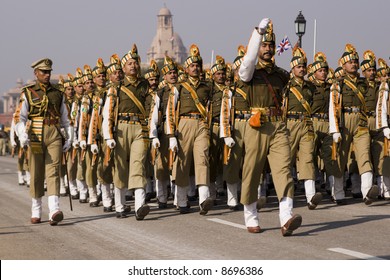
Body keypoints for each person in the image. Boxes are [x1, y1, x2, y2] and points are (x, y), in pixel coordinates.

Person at [238, 18, 302, 235]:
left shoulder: (281, 75)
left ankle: (286, 217)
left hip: (278, 126)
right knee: (252, 170)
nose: (267, 49)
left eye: (270, 45)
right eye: (264, 45)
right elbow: (247, 60)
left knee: (284, 168)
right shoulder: (250, 72)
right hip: (257, 125)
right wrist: (258, 32)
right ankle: (251, 215)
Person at [14, 58, 73, 225]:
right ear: (36, 73)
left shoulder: (57, 93)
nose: (47, 75)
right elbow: (20, 117)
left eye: (49, 72)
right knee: (37, 172)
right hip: (35, 134)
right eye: (43, 72)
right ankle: (36, 209)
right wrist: (21, 134)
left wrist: (69, 137)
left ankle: (54, 210)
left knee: (53, 171)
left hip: (54, 133)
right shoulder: (27, 92)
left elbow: (65, 118)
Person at [102, 44, 150, 220]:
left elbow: (151, 107)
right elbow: (107, 113)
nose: (134, 66)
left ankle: (139, 206)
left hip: (139, 128)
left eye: (135, 62)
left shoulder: (145, 85)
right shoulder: (116, 87)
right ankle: (120, 206)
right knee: (120, 167)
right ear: (123, 68)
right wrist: (108, 136)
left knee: (138, 164)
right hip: (121, 127)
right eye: (130, 63)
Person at [166, 44, 214, 215]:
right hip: (183, 124)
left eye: (197, 65)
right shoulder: (178, 87)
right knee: (182, 163)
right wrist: (171, 135)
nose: (195, 68)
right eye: (192, 66)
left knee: (202, 159)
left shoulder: (206, 87)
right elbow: (171, 112)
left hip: (201, 123)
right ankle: (181, 200)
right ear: (186, 69)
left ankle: (203, 200)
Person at [328, 44, 379, 205]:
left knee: (364, 156)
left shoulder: (364, 84)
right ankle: (338, 193)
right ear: (343, 65)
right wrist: (335, 130)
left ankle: (367, 192)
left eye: (356, 61)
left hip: (361, 120)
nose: (354, 64)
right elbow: (333, 107)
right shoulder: (339, 84)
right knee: (341, 158)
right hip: (344, 120)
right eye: (351, 62)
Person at [284, 47, 322, 210]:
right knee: (286, 160)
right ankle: (285, 196)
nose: (302, 69)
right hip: (290, 124)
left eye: (304, 66)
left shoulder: (310, 87)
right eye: (299, 66)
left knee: (307, 159)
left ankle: (310, 196)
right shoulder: (286, 86)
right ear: (292, 68)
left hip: (306, 123)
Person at [220, 45, 247, 210]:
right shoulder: (230, 91)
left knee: (252, 163)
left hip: (253, 126)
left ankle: (250, 196)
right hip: (236, 127)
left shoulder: (253, 88)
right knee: (233, 163)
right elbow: (224, 114)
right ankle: (232, 198)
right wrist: (226, 134)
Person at [376, 58, 390, 199]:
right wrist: (385, 126)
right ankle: (386, 188)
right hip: (388, 125)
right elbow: (381, 107)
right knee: (386, 158)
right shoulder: (385, 85)